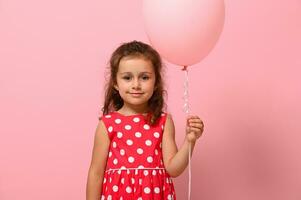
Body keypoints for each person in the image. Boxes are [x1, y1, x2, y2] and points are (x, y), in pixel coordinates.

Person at [86, 41, 204, 200]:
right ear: (115, 82)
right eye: (127, 78)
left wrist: (190, 140)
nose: (136, 85)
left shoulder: (163, 121)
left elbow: (173, 169)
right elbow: (96, 173)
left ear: (156, 82)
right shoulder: (107, 124)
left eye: (144, 77)